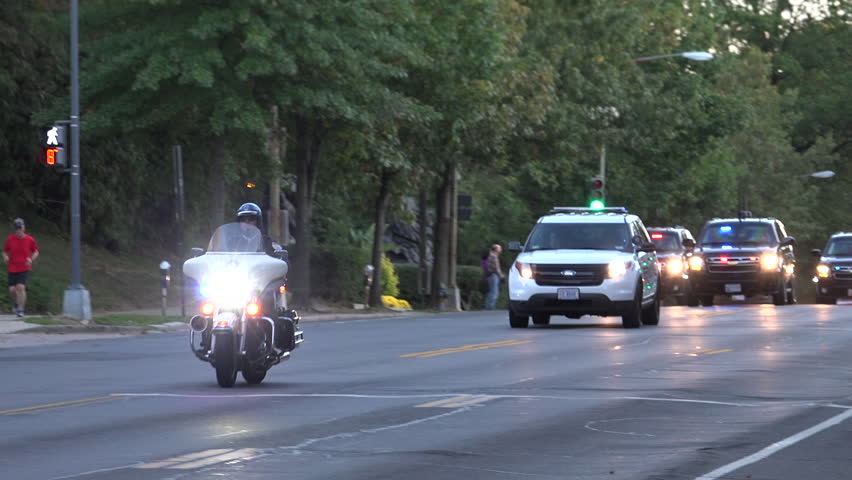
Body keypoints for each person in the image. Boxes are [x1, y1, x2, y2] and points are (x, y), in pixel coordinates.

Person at [3, 218, 39, 318]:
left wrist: (31, 260)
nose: (19, 230)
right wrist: (5, 257)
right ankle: (18, 303)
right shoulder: (10, 239)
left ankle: (20, 310)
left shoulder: (30, 239)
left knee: (20, 287)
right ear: (15, 229)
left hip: (24, 267)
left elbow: (36, 251)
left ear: (24, 228)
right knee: (12, 290)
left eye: (20, 228)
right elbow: (5, 251)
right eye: (17, 228)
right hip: (12, 267)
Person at [484, 243, 505, 309]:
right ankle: (491, 306)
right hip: (493, 275)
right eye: (499, 248)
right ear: (496, 249)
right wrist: (501, 275)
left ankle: (489, 305)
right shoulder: (494, 256)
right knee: (494, 291)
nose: (501, 249)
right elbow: (496, 268)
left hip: (490, 275)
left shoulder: (490, 255)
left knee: (492, 290)